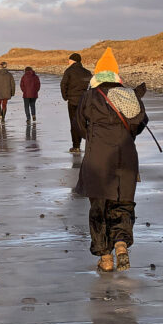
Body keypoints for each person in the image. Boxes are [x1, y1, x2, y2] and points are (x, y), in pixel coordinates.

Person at [74, 48, 148, 273]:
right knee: (123, 204)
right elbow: (139, 123)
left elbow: (79, 125)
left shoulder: (89, 96)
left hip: (97, 160)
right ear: (116, 73)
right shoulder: (128, 95)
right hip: (125, 158)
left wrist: (94, 138)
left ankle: (105, 258)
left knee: (98, 208)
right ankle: (121, 243)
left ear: (97, 73)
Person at [61, 53, 92, 153]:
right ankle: (90, 143)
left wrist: (65, 97)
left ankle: (76, 146)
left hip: (73, 101)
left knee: (74, 123)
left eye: (69, 60)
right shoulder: (87, 72)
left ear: (73, 60)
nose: (68, 61)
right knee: (84, 122)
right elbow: (91, 85)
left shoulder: (69, 71)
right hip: (85, 101)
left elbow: (63, 84)